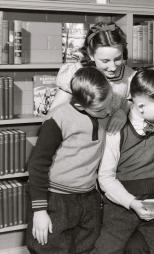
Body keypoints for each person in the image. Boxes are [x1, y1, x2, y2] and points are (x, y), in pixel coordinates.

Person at [26, 67, 115, 254]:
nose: (108, 111)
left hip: (88, 197)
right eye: (101, 109)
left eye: (110, 103)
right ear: (81, 106)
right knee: (48, 247)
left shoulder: (103, 108)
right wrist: (40, 211)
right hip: (55, 199)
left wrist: (120, 112)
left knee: (86, 247)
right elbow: (37, 165)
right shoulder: (59, 118)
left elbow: (119, 106)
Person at [94, 69, 154, 254]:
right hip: (122, 206)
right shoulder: (116, 130)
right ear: (140, 107)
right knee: (106, 250)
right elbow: (106, 178)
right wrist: (132, 202)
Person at [52, 21, 136, 132]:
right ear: (91, 54)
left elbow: (134, 100)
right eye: (105, 61)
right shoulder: (75, 73)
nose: (112, 67)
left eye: (117, 59)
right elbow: (54, 113)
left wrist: (123, 111)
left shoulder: (130, 76)